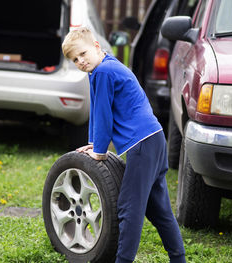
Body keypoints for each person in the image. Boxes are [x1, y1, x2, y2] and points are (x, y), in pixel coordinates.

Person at [62, 27, 186, 263]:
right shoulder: (102, 67)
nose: (80, 61)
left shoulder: (103, 72)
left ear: (97, 46)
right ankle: (178, 259)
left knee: (129, 208)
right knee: (158, 210)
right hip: (155, 139)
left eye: (83, 54)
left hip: (142, 144)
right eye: (75, 59)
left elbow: (104, 114)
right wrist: (93, 144)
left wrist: (99, 152)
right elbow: (98, 109)